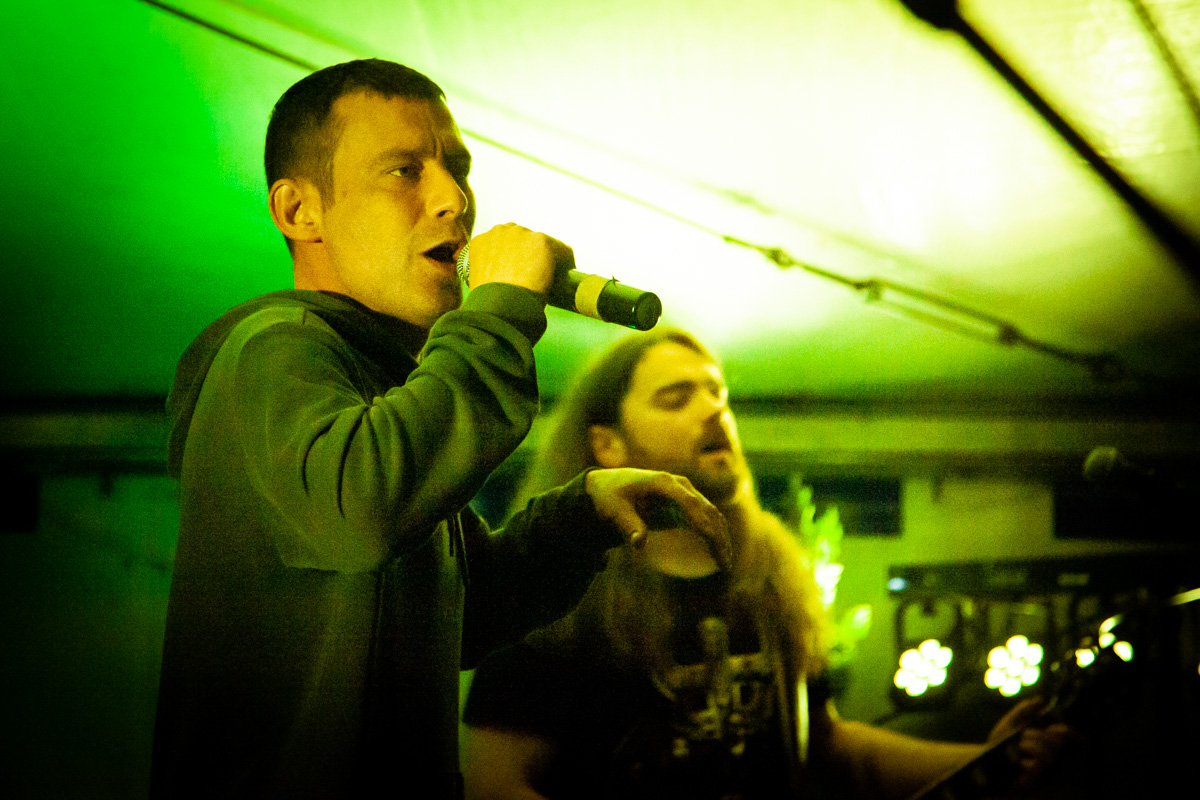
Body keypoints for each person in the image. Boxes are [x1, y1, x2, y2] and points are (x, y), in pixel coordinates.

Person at [150, 59, 728, 799]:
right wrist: (498, 313)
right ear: (300, 211)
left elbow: (456, 614)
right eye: (404, 171)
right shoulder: (273, 351)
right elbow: (363, 508)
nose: (454, 198)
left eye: (458, 170)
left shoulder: (386, 388)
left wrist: (579, 518)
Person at [461, 328, 1071, 799]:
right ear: (607, 444)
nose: (713, 410)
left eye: (717, 393)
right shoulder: (556, 592)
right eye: (676, 399)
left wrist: (984, 759)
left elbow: (826, 745)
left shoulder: (768, 572)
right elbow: (493, 783)